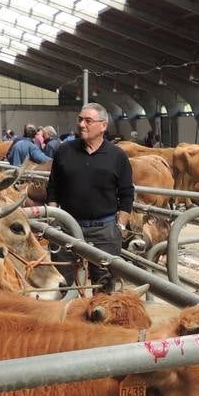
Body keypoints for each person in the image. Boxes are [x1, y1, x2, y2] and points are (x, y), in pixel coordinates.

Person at [46, 102, 134, 291]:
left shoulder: (117, 156)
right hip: (68, 227)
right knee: (62, 282)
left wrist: (121, 225)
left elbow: (126, 193)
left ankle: (98, 318)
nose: (81, 125)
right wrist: (54, 218)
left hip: (104, 230)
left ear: (103, 126)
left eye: (88, 120)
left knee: (104, 285)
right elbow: (53, 186)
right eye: (80, 120)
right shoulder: (64, 151)